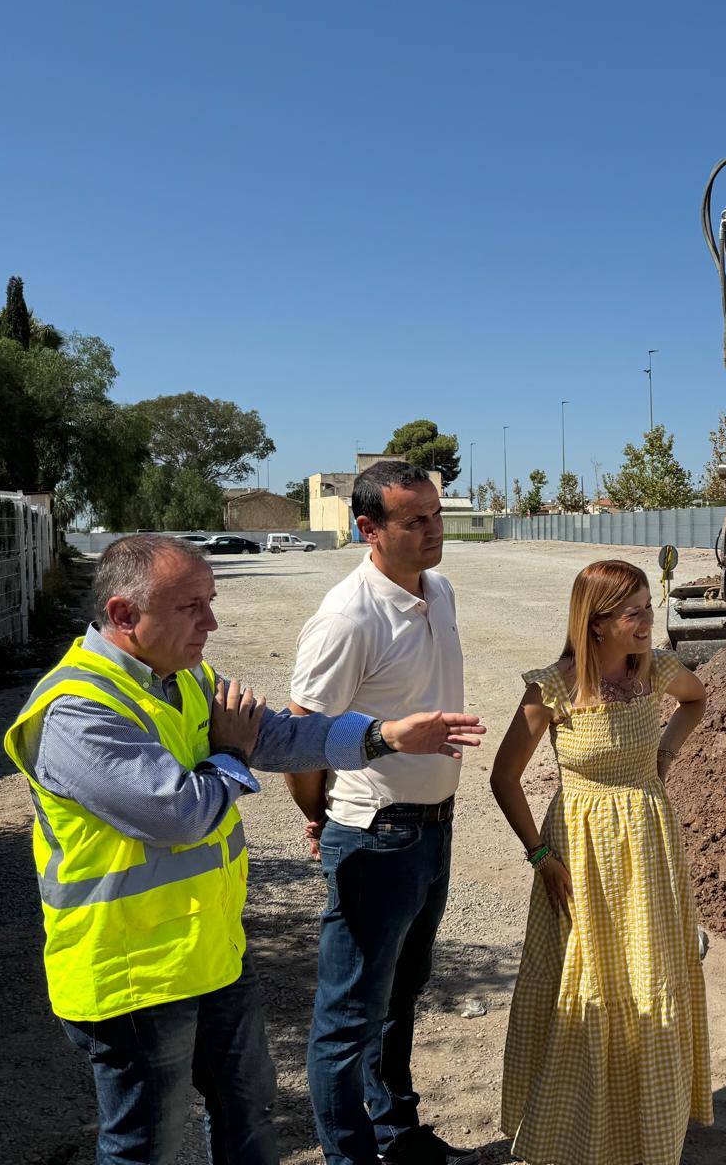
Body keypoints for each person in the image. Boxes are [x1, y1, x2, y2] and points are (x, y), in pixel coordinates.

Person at [3, 534, 483, 1165]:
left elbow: (279, 736)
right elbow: (179, 814)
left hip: (211, 955)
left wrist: (384, 734)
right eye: (191, 607)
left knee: (249, 1118)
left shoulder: (186, 676)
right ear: (123, 616)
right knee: (143, 1145)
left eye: (211, 600)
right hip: (132, 976)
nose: (212, 621)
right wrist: (230, 752)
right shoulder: (75, 712)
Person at [285, 460, 477, 1165]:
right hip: (377, 835)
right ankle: (351, 1156)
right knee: (346, 1019)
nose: (434, 532)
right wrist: (321, 814)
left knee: (401, 997)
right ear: (369, 529)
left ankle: (396, 1134)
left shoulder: (441, 591)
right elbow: (302, 737)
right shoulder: (346, 618)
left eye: (437, 516)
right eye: (415, 520)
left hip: (433, 825)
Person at [491, 559, 712, 1164]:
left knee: (650, 981)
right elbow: (504, 778)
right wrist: (541, 855)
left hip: (648, 846)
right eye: (633, 612)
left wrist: (665, 753)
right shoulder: (552, 689)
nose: (647, 621)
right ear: (596, 623)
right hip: (579, 855)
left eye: (648, 606)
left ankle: (648, 1132)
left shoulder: (659, 669)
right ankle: (581, 1133)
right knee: (585, 987)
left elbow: (696, 700)